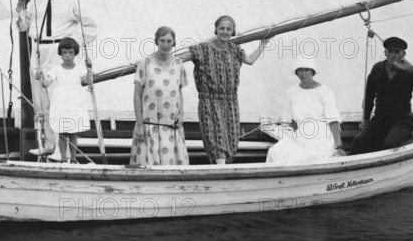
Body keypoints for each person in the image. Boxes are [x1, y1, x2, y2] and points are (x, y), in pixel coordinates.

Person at [16, 0, 96, 155]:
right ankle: (49, 145)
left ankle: (64, 153)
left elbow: (91, 26)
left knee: (59, 98)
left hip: (57, 51)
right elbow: (22, 26)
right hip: (37, 50)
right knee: (41, 100)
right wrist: (20, 5)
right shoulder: (36, 2)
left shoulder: (71, 2)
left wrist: (73, 46)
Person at [181, 15, 271, 164]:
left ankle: (221, 167)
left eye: (228, 29)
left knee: (231, 138)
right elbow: (179, 59)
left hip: (230, 102)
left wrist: (264, 43)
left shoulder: (235, 50)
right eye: (221, 28)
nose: (225, 31)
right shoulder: (202, 49)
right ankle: (221, 168)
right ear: (215, 30)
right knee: (216, 137)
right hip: (209, 100)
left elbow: (249, 61)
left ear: (233, 31)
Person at [350, 37, 413, 154]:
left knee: (390, 144)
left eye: (397, 52)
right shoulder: (377, 69)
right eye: (390, 51)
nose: (393, 55)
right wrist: (366, 118)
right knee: (359, 141)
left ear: (403, 54)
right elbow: (369, 96)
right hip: (379, 119)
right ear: (385, 53)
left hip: (402, 121)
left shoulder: (411, 71)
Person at [265, 57, 344, 164]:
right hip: (301, 135)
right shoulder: (293, 91)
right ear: (296, 73)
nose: (303, 73)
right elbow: (287, 117)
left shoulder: (324, 91)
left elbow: (333, 119)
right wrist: (292, 133)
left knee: (307, 157)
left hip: (321, 136)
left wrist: (338, 145)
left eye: (306, 70)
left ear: (313, 72)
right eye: (300, 70)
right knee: (276, 152)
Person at [130, 26, 190, 166]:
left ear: (173, 43)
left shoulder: (179, 64)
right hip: (149, 126)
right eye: (162, 40)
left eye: (169, 41)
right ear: (156, 41)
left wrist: (181, 114)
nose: (165, 44)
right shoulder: (145, 64)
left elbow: (179, 91)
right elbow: (137, 95)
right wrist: (139, 123)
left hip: (171, 126)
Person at [36, 38, 90, 163]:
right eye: (64, 53)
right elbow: (45, 84)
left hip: (74, 104)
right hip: (61, 104)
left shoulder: (80, 68)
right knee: (62, 133)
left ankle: (74, 159)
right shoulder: (56, 69)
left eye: (70, 52)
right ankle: (63, 159)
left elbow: (87, 81)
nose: (67, 56)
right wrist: (39, 78)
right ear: (60, 54)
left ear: (75, 53)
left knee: (73, 134)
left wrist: (89, 68)